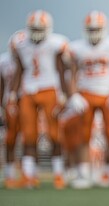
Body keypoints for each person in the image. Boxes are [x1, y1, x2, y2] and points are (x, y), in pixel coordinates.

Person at [68, 11, 109, 189]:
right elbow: (71, 75)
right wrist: (73, 95)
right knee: (83, 135)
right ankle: (84, 175)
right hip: (86, 94)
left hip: (108, 93)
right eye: (91, 29)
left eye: (97, 29)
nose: (94, 33)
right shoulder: (77, 48)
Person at [10, 10, 69, 189]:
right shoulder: (20, 44)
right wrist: (13, 93)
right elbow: (19, 70)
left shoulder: (55, 44)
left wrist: (64, 93)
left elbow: (60, 70)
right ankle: (29, 175)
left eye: (39, 28)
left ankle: (59, 175)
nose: (36, 32)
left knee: (54, 134)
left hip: (50, 89)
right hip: (27, 90)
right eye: (33, 28)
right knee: (29, 135)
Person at [0, 41, 18, 189]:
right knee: (9, 138)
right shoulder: (3, 61)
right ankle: (9, 174)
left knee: (30, 138)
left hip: (26, 100)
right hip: (9, 104)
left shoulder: (30, 58)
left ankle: (29, 174)